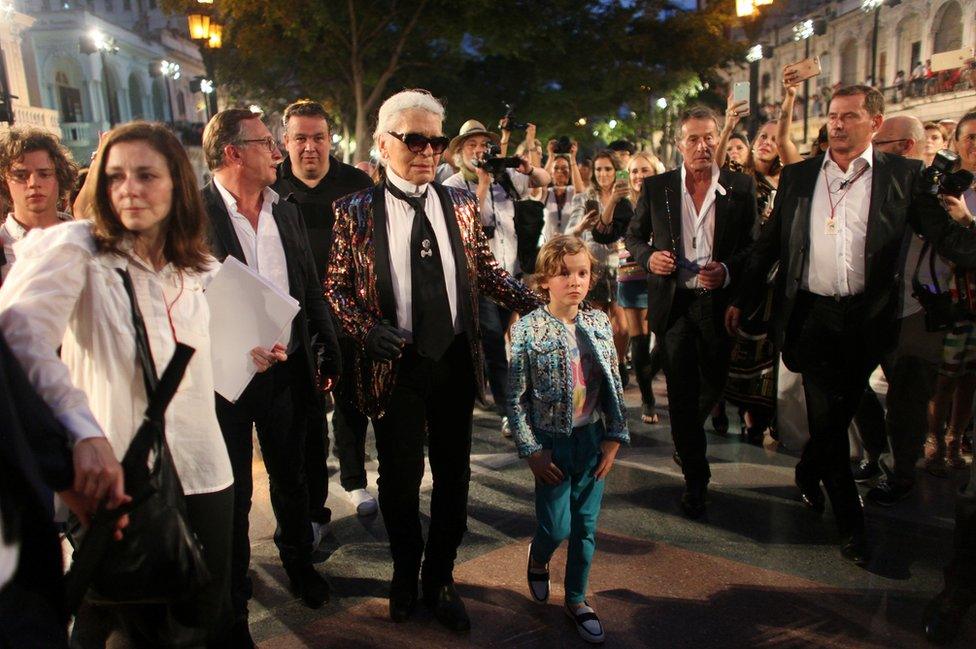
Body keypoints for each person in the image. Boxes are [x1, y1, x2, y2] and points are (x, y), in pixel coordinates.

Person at [0, 121, 236, 646]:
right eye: (115, 176)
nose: (129, 188)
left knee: (204, 616)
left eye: (146, 175)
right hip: (123, 473)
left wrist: (253, 354)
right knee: (128, 626)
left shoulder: (192, 264)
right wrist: (81, 431)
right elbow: (17, 345)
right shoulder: (78, 250)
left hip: (206, 468)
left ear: (177, 183)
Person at [727, 85, 976, 567]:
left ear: (875, 124)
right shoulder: (799, 177)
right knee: (827, 417)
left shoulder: (905, 176)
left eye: (850, 116)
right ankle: (852, 528)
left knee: (838, 415)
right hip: (813, 317)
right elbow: (769, 247)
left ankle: (807, 469)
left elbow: (944, 236)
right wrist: (742, 294)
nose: (838, 124)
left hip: (869, 319)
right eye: (833, 116)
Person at [325, 89, 542, 633]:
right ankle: (404, 573)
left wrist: (544, 308)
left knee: (455, 477)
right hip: (394, 365)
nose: (426, 150)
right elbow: (334, 287)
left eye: (435, 141)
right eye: (413, 139)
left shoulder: (462, 203)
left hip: (453, 361)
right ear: (381, 144)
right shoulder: (353, 211)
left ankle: (440, 577)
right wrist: (365, 328)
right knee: (399, 481)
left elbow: (487, 274)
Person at [201, 108, 342, 645]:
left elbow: (308, 286)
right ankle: (233, 595)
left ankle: (300, 566)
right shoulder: (193, 212)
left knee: (293, 477)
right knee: (231, 492)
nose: (279, 153)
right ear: (234, 152)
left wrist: (326, 347)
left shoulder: (286, 209)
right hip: (223, 380)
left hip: (287, 372)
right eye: (267, 144)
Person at [626, 106, 757, 518]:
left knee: (714, 384)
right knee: (681, 394)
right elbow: (633, 237)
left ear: (718, 139)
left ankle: (686, 440)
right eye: (693, 139)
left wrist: (729, 269)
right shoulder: (658, 187)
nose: (702, 146)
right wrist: (649, 259)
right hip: (676, 303)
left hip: (717, 304)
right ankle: (696, 481)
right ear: (679, 145)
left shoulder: (740, 186)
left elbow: (754, 246)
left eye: (709, 138)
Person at [507, 234, 629, 644]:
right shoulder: (528, 328)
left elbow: (613, 383)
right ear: (545, 280)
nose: (574, 281)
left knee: (586, 526)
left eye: (581, 273)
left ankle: (577, 599)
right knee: (556, 525)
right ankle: (538, 558)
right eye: (563, 274)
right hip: (552, 442)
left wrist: (613, 437)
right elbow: (515, 398)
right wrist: (532, 450)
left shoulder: (598, 323)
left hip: (591, 438)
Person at [272, 99, 378, 521]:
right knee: (307, 417)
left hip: (349, 313)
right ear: (285, 142)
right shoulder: (271, 187)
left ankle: (354, 481)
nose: (310, 147)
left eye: (318, 137)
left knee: (351, 405)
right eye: (300, 138)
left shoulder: (356, 184)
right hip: (294, 318)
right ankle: (313, 509)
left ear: (330, 139)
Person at [846, 115, 949, 504]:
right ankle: (874, 452)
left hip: (915, 308)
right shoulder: (873, 182)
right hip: (870, 305)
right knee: (853, 385)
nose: (871, 151)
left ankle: (902, 472)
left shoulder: (935, 190)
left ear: (906, 147)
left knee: (907, 398)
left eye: (881, 144)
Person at [443, 119, 551, 435]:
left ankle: (498, 393)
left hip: (512, 276)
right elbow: (467, 222)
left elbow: (544, 181)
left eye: (482, 145)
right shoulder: (452, 186)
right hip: (479, 280)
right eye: (471, 146)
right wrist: (480, 183)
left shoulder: (504, 179)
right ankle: (509, 411)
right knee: (492, 341)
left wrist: (528, 168)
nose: (478, 151)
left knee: (510, 342)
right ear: (460, 152)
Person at [920, 113, 976, 479]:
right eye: (969, 137)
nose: (974, 144)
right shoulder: (943, 186)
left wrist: (969, 221)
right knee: (943, 374)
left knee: (969, 375)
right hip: (947, 294)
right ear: (955, 142)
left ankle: (956, 437)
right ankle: (933, 436)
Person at [0, 127, 78, 280]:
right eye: (21, 175)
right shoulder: (2, 247)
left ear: (60, 177)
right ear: (4, 182)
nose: (34, 183)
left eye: (44, 174)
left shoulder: (89, 239)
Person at [540, 142, 585, 243]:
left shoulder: (572, 191)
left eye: (564, 168)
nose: (560, 171)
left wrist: (572, 158)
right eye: (556, 168)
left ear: (570, 172)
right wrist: (551, 156)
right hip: (550, 247)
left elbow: (580, 192)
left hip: (572, 245)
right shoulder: (547, 193)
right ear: (551, 173)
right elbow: (541, 183)